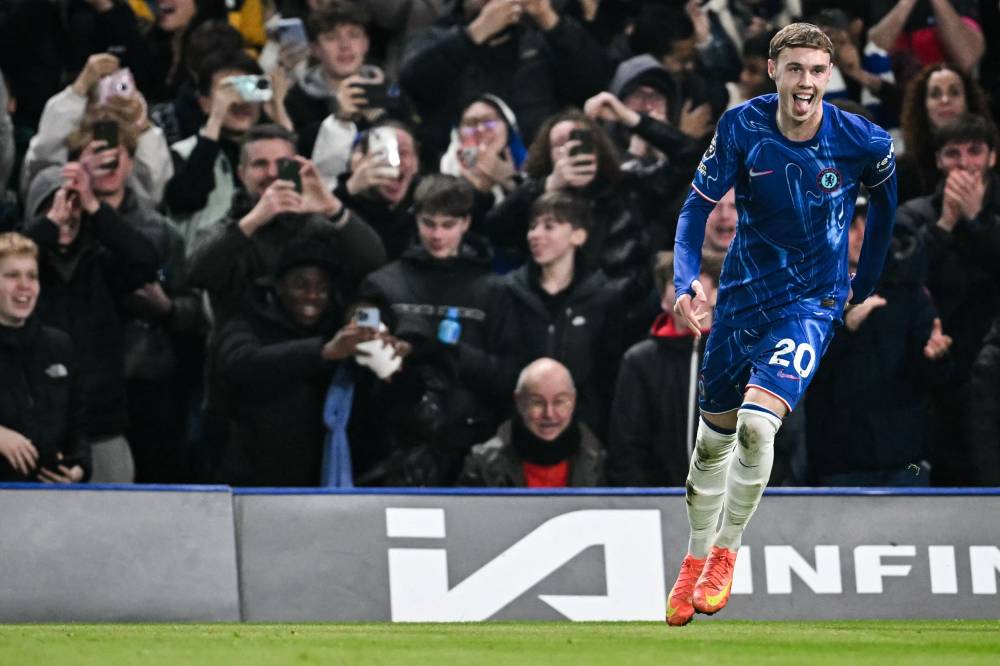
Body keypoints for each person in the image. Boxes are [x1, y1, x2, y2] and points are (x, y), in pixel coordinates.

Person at [667, 23, 897, 626]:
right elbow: (696, 208)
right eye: (795, 68)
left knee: (754, 427)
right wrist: (686, 278)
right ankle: (692, 560)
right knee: (712, 441)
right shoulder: (742, 126)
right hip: (742, 300)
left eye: (818, 71)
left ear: (830, 75)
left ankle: (726, 551)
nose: (806, 83)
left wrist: (860, 288)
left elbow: (885, 215)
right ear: (773, 69)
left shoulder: (863, 140)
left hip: (812, 303)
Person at [352, 174, 506, 485]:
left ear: (465, 222)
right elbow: (359, 350)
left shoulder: (495, 290)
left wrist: (444, 349)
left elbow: (507, 374)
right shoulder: (384, 283)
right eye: (428, 223)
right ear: (415, 221)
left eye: (448, 225)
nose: (437, 234)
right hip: (393, 446)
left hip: (471, 448)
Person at [23, 146, 159, 483]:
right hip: (28, 431)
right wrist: (47, 227)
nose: (67, 214)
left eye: (74, 205)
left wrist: (95, 206)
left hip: (103, 426)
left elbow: (146, 260)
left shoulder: (101, 264)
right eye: (55, 206)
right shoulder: (20, 274)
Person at [214, 240, 390, 486]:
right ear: (278, 285)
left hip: (324, 472)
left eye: (322, 288)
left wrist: (380, 341)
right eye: (301, 285)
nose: (312, 296)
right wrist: (323, 352)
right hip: (254, 473)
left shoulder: (335, 322)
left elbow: (369, 315)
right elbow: (238, 363)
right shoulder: (247, 317)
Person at [807, 198, 953, 486]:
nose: (862, 233)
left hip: (907, 465)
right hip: (840, 467)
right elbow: (799, 379)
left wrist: (936, 357)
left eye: (870, 223)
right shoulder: (807, 297)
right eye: (851, 224)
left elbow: (935, 381)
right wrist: (844, 330)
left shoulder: (908, 293)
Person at [896, 113, 1000, 485]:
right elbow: (901, 273)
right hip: (933, 372)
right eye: (953, 153)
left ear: (992, 157)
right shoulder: (914, 214)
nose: (964, 163)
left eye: (975, 151)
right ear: (939, 160)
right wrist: (945, 226)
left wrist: (976, 221)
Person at [495, 190, 624, 441]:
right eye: (532, 227)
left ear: (578, 235)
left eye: (549, 226)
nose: (535, 235)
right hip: (516, 435)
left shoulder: (605, 298)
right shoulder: (507, 291)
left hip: (584, 436)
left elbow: (608, 377)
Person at [606, 251, 720, 487]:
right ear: (663, 300)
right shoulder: (639, 361)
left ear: (716, 294)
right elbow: (626, 446)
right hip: (660, 503)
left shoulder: (742, 354)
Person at [164, 49, 292, 253]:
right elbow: (187, 200)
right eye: (230, 90)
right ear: (204, 102)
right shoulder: (183, 152)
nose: (240, 101)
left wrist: (279, 110)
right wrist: (215, 119)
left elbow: (294, 189)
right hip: (206, 262)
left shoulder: (270, 150)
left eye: (246, 87)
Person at [0, 232, 90, 483]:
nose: (24, 286)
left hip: (48, 500)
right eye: (12, 275)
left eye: (32, 275)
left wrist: (78, 469)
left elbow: (78, 425)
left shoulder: (58, 345)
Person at [457, 358, 604, 487]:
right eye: (537, 402)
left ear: (573, 400)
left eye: (559, 401)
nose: (549, 414)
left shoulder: (598, 461)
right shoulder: (482, 466)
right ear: (519, 401)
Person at [897, 63, 990, 202]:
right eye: (935, 94)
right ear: (923, 106)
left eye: (954, 92)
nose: (945, 100)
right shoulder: (903, 172)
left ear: (968, 101)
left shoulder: (990, 160)